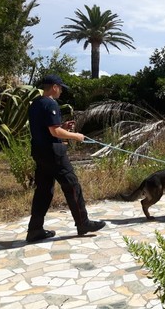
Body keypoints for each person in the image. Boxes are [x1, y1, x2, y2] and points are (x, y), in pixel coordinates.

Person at [26, 74, 106, 242]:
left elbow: (49, 129)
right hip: (53, 153)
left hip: (39, 152)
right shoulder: (50, 103)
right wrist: (75, 135)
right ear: (54, 86)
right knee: (72, 185)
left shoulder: (35, 104)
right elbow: (55, 132)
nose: (61, 91)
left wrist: (63, 128)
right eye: (60, 87)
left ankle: (35, 230)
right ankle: (83, 223)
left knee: (43, 191)